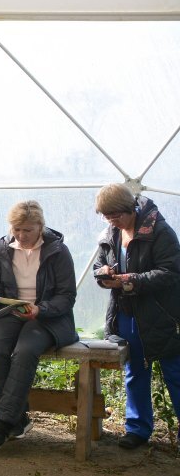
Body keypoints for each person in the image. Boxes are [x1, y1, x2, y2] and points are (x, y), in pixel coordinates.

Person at [0, 200, 78, 449]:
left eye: (28, 230)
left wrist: (40, 309)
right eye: (16, 229)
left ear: (40, 227)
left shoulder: (58, 251)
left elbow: (67, 296)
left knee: (25, 350)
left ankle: (4, 422)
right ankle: (19, 419)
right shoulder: (3, 248)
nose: (21, 235)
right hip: (10, 312)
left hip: (47, 316)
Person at [93, 183, 180, 450]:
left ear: (131, 208)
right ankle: (137, 429)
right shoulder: (111, 233)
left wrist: (131, 280)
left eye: (115, 215)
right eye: (106, 216)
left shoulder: (159, 231)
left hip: (161, 314)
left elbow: (171, 272)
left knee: (175, 372)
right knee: (134, 371)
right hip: (127, 313)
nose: (111, 221)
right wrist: (104, 274)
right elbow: (98, 265)